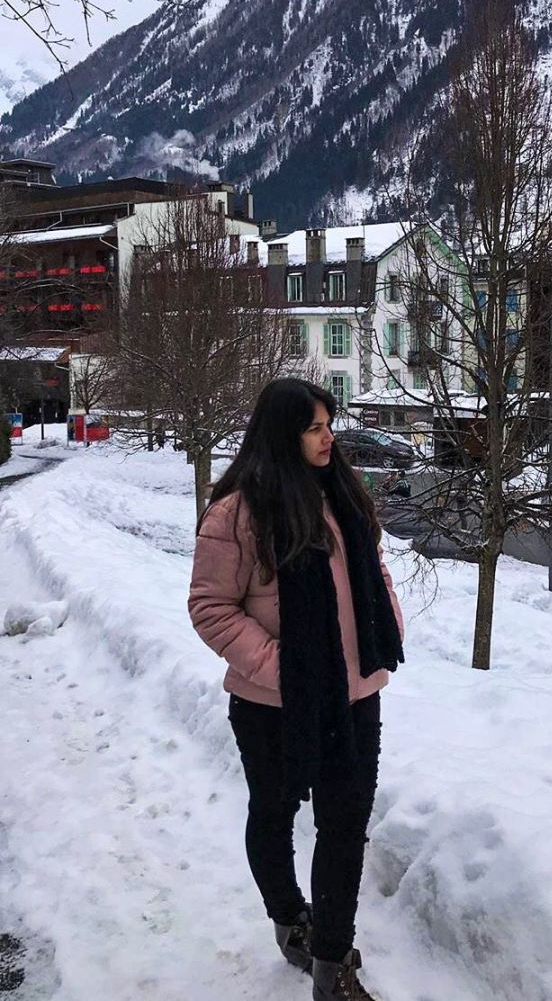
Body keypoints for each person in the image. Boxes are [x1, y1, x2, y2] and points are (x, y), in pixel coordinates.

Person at [188, 378, 404, 1000]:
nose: (329, 437)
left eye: (329, 424)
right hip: (273, 706)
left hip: (354, 696)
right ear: (283, 434)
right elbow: (211, 607)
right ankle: (289, 919)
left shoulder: (343, 495)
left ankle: (332, 965)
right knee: (274, 812)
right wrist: (285, 667)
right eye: (314, 427)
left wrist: (382, 619)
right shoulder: (238, 513)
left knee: (345, 824)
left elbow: (375, 568)